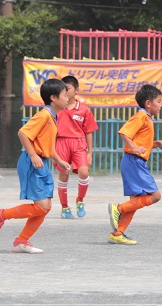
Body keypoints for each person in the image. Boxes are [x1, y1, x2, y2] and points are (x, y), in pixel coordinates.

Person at [0, 78, 71, 254]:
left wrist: (59, 160)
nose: (68, 98)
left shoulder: (53, 117)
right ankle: (0, 214)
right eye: (65, 95)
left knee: (45, 207)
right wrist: (33, 155)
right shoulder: (44, 115)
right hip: (32, 162)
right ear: (53, 98)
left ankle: (21, 241)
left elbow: (48, 146)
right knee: (41, 206)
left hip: (42, 162)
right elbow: (23, 133)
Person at [107, 84, 162, 245]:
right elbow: (124, 132)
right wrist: (134, 148)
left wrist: (157, 143)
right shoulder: (141, 116)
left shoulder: (147, 118)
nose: (161, 105)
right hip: (134, 162)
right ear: (148, 103)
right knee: (155, 196)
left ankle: (118, 233)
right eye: (159, 101)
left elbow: (141, 142)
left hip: (133, 161)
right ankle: (118, 209)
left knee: (135, 201)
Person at [55, 75, 98, 218]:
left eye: (68, 88)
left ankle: (80, 200)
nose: (66, 91)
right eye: (63, 89)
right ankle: (64, 207)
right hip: (61, 143)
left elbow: (89, 132)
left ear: (76, 90)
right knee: (63, 174)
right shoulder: (57, 108)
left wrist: (90, 152)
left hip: (79, 143)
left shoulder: (84, 110)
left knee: (84, 172)